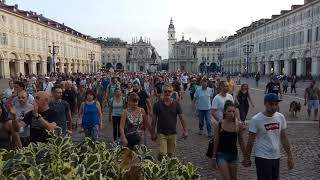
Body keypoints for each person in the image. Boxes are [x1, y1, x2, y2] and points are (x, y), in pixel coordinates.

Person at [243, 93, 294, 180]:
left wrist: (290, 156)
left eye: (276, 104)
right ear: (265, 104)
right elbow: (250, 141)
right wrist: (247, 158)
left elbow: (284, 137)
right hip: (262, 157)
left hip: (276, 156)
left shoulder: (280, 117)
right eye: (271, 104)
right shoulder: (256, 119)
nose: (274, 107)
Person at [151, 84, 188, 160]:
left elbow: (182, 118)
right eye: (165, 91)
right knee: (163, 154)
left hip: (173, 133)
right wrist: (153, 133)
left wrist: (185, 130)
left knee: (171, 155)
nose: (167, 93)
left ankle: (169, 170)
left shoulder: (176, 104)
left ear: (172, 93)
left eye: (169, 91)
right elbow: (154, 120)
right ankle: (162, 167)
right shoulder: (157, 105)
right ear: (162, 92)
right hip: (161, 133)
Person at [212, 100, 246, 180]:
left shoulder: (239, 125)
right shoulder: (219, 124)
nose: (231, 114)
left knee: (233, 178)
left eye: (233, 111)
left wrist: (245, 155)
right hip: (221, 155)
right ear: (224, 112)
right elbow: (216, 141)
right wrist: (213, 157)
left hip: (233, 155)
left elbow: (241, 141)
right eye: (229, 111)